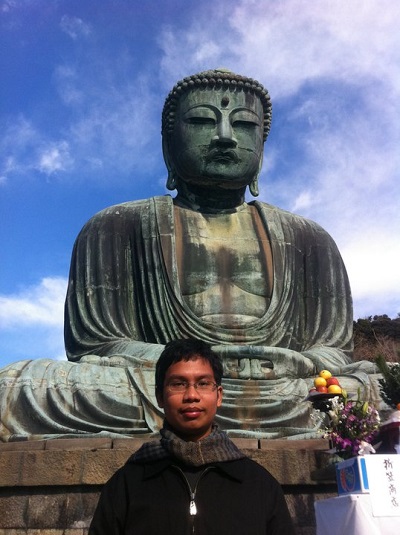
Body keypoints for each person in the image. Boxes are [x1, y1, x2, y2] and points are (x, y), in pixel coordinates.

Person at [0, 69, 379, 442]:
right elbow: (97, 346)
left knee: (378, 384)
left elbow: (333, 351)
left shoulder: (309, 239)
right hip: (163, 387)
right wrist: (187, 366)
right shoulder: (115, 226)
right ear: (169, 144)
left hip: (282, 389)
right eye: (202, 121)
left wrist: (298, 362)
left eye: (244, 125)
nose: (225, 137)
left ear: (261, 151)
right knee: (19, 386)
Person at [89, 338, 295, 535]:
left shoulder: (258, 483)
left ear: (220, 395)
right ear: (159, 396)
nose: (191, 395)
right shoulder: (128, 482)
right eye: (178, 384)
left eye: (203, 383)